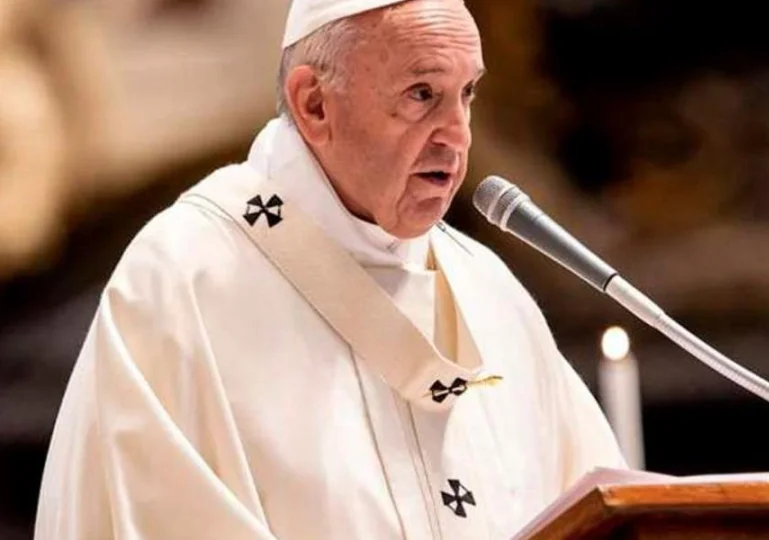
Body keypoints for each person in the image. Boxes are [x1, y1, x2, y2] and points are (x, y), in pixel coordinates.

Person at [33, 0, 627, 538]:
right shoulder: (183, 280)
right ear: (314, 104)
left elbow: (605, 514)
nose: (456, 136)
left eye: (466, 93)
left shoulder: (488, 291)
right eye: (421, 94)